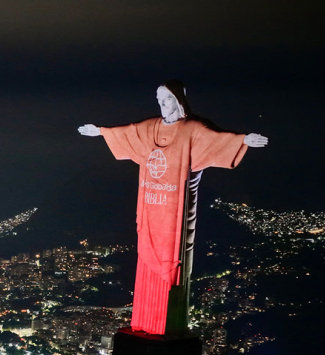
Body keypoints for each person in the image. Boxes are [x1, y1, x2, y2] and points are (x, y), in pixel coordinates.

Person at [79, 80, 267, 335]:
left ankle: (167, 323)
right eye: (158, 99)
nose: (162, 104)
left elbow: (216, 140)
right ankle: (146, 323)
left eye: (166, 99)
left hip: (174, 209)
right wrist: (100, 131)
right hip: (150, 206)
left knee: (174, 256)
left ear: (179, 99)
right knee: (145, 254)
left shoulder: (192, 128)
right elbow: (128, 132)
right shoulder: (151, 128)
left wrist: (244, 140)